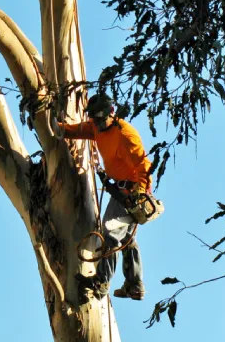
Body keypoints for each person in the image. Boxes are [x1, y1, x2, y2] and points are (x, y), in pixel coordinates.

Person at [57, 92, 152, 301]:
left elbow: (144, 167)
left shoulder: (126, 136)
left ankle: (101, 283)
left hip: (130, 194)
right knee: (126, 238)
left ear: (111, 112)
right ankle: (134, 285)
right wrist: (59, 129)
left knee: (110, 234)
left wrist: (140, 194)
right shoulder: (96, 127)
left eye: (100, 118)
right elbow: (82, 130)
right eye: (94, 118)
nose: (96, 123)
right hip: (118, 191)